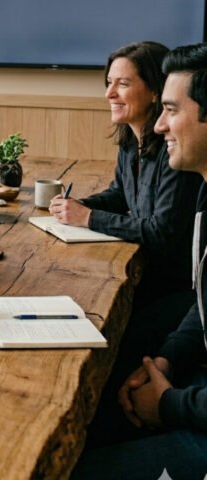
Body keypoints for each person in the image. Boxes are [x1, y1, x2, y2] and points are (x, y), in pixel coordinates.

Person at [56, 43, 207, 480]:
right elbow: (204, 309)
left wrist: (168, 403)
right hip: (190, 392)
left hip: (198, 434)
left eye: (171, 110)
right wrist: (165, 360)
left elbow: (161, 235)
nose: (160, 126)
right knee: (87, 424)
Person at [50, 41, 201, 343]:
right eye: (109, 83)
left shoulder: (177, 154)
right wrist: (75, 206)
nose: (109, 94)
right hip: (148, 278)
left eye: (123, 84)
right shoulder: (132, 140)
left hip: (173, 290)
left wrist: (88, 217)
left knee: (103, 320)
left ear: (155, 91)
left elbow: (161, 232)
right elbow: (120, 194)